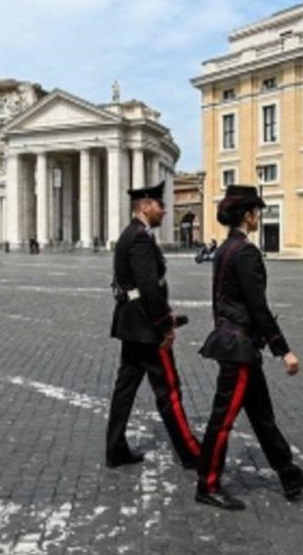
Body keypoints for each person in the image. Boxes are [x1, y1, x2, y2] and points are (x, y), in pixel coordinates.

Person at [195, 185, 303, 510]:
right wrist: (284, 350)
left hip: (234, 343)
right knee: (222, 419)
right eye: (257, 211)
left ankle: (289, 474)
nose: (259, 217)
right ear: (249, 215)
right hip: (240, 347)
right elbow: (258, 308)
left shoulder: (225, 249)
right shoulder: (246, 252)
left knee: (263, 417)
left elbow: (220, 301)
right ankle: (207, 485)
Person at [106, 181, 201, 471]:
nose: (164, 209)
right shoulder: (140, 238)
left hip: (131, 323)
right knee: (169, 391)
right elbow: (149, 287)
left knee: (125, 388)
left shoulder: (129, 235)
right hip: (146, 328)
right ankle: (190, 452)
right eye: (160, 205)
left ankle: (115, 448)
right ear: (145, 206)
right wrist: (165, 325)